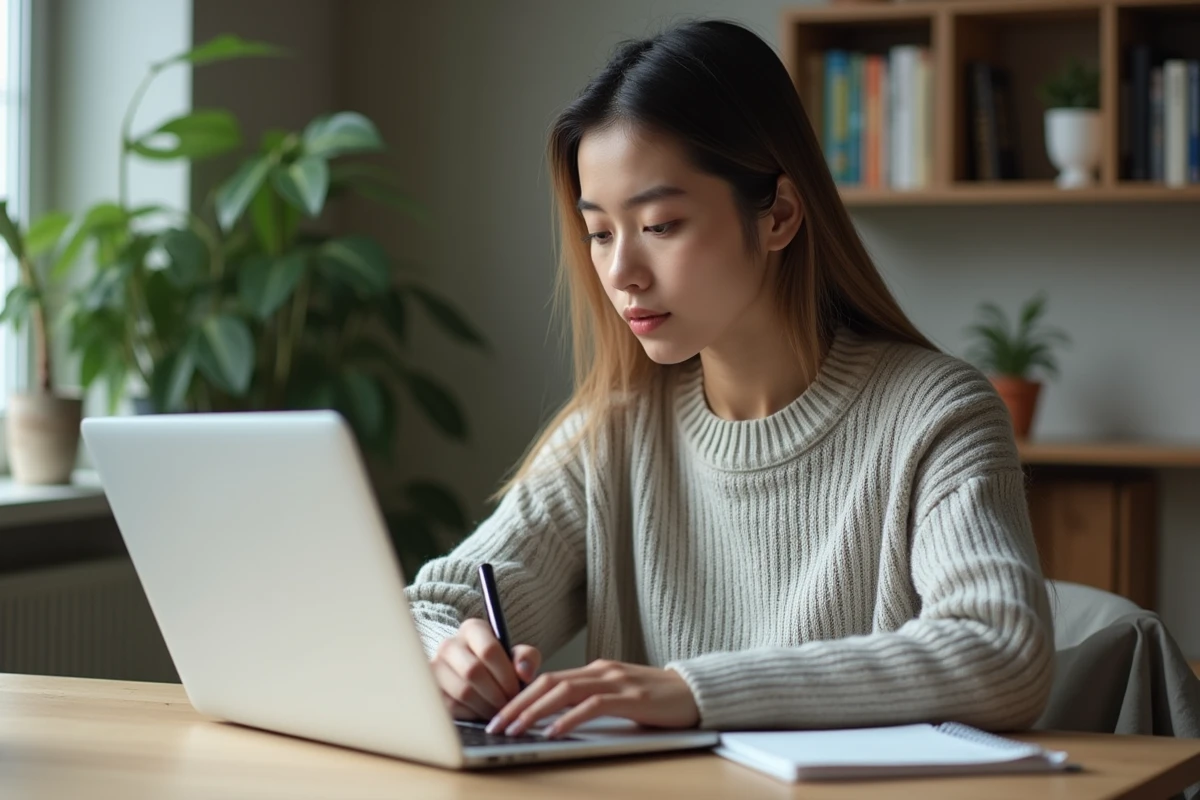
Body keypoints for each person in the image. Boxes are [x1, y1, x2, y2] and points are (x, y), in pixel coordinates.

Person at [403, 18, 1054, 740]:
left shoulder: (935, 415)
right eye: (600, 232)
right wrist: (446, 658)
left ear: (777, 215)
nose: (621, 273)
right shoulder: (613, 434)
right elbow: (424, 606)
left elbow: (1002, 652)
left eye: (660, 225)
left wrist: (691, 691)